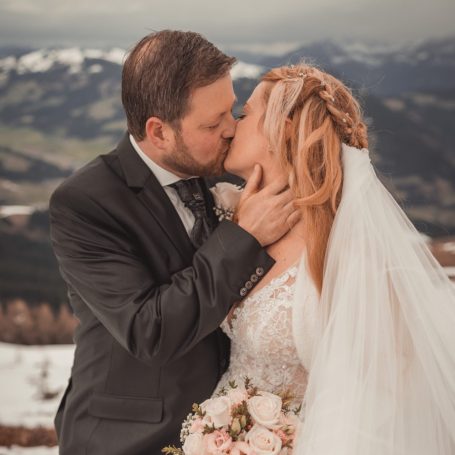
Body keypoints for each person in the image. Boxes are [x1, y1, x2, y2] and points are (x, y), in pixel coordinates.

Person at [48, 30, 300, 454]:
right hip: (128, 439)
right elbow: (150, 330)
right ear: (159, 132)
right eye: (212, 123)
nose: (231, 129)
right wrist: (244, 237)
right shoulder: (84, 203)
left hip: (235, 431)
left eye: (231, 111)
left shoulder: (223, 169)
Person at [212, 62, 455, 454]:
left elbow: (380, 406)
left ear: (284, 129)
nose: (231, 127)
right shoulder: (232, 215)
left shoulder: (351, 258)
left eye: (244, 115)